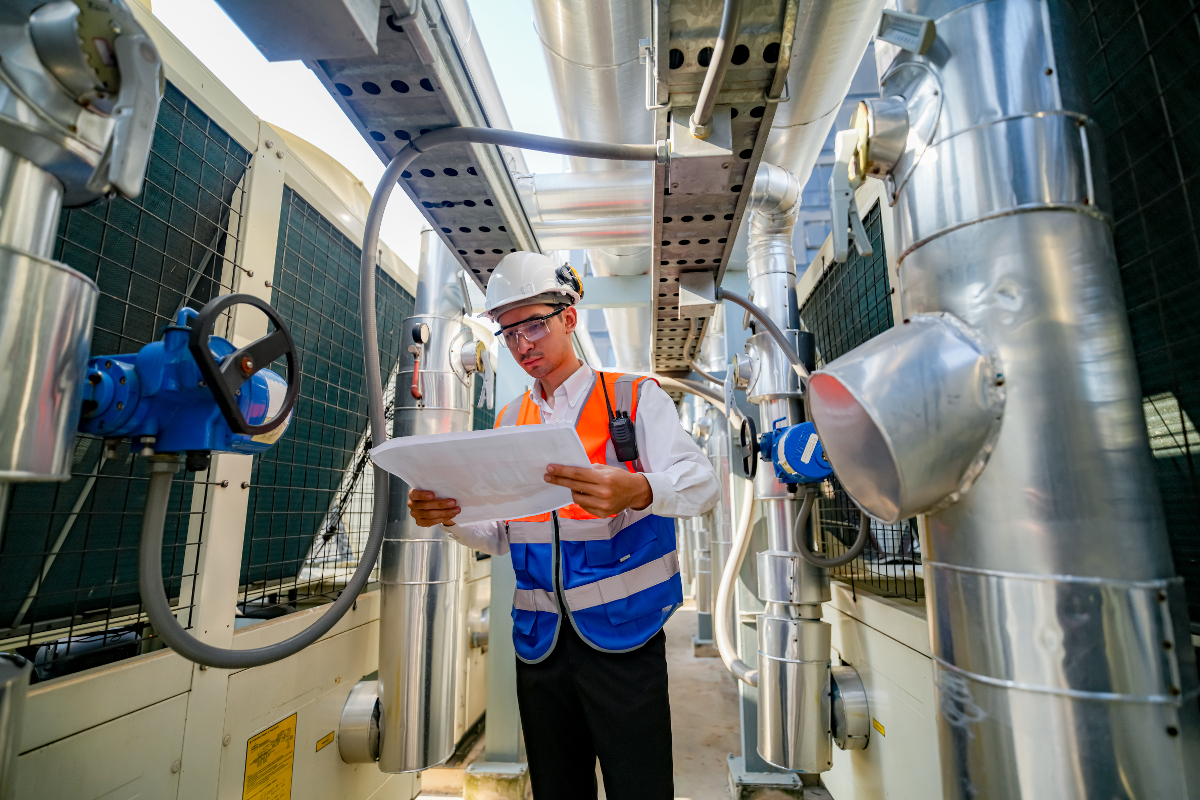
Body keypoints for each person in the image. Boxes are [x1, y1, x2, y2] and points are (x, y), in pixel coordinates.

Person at [408, 251, 719, 800]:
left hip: (624, 636)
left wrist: (642, 488)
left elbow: (702, 483)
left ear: (569, 318)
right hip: (540, 644)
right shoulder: (508, 419)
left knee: (639, 787)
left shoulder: (632, 398)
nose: (522, 342)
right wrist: (452, 519)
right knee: (557, 789)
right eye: (508, 332)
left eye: (534, 323)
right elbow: (501, 533)